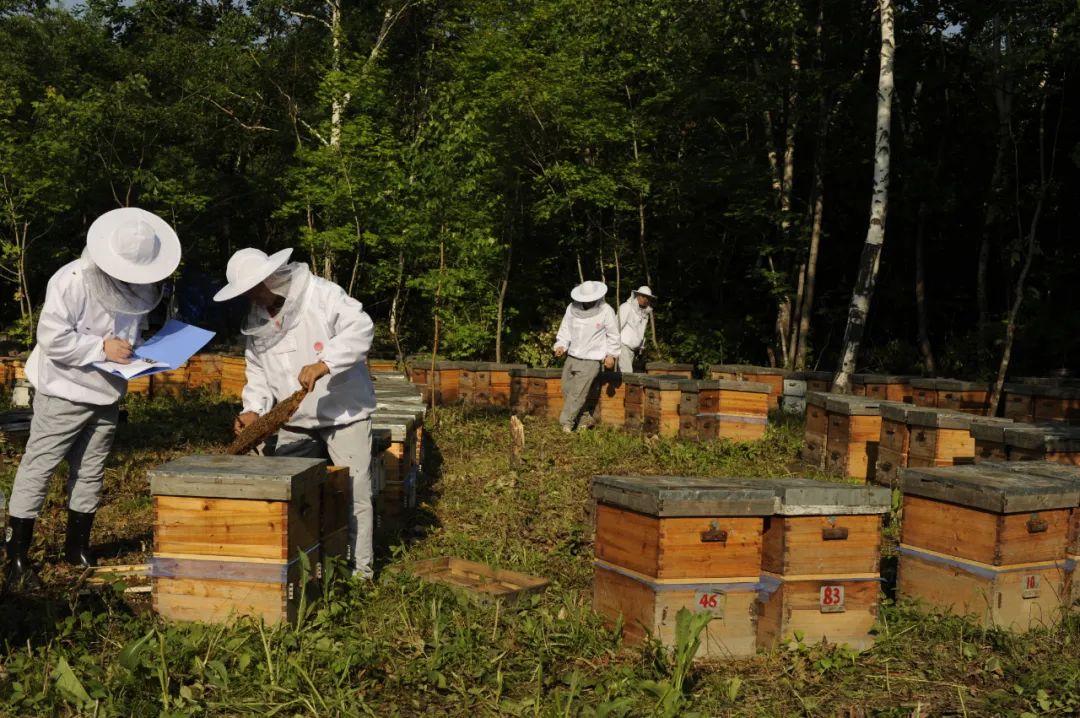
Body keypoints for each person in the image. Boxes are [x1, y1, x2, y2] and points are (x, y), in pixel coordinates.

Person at [4, 208, 181, 589]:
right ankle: (16, 557)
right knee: (40, 466)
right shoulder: (70, 280)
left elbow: (128, 335)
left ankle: (77, 547)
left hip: (108, 390)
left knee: (91, 468)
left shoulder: (138, 288)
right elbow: (53, 339)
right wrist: (101, 347)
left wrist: (144, 355)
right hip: (64, 389)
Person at [213, 247, 378, 579]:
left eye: (253, 290)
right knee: (290, 495)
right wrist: (253, 411)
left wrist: (325, 362)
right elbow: (257, 371)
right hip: (296, 420)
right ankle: (303, 573)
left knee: (356, 492)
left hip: (344, 413)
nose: (252, 299)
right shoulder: (258, 320)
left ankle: (361, 574)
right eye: (245, 294)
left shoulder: (322, 294)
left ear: (270, 278)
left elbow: (361, 328)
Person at [553, 280, 620, 433]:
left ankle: (566, 424)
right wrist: (561, 345)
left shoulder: (606, 310)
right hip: (573, 356)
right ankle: (585, 418)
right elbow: (565, 330)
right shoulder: (572, 308)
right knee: (567, 389)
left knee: (578, 393)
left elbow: (613, 335)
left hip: (592, 359)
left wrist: (611, 355)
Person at [617, 285, 655, 373]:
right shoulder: (626, 307)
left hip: (633, 350)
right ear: (637, 296)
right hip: (622, 346)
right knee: (627, 374)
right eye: (643, 296)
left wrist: (640, 348)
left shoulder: (645, 314)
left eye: (648, 298)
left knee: (625, 375)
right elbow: (616, 326)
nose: (645, 299)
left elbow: (641, 332)